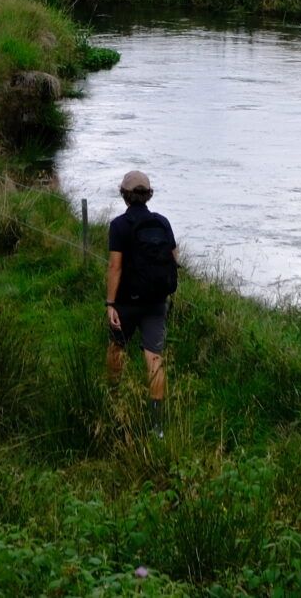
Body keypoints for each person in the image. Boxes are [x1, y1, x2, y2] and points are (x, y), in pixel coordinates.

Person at [105, 168, 179, 436]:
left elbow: (115, 267)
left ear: (124, 195)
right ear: (148, 195)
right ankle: (157, 425)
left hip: (126, 302)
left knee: (116, 348)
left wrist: (110, 304)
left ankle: (113, 404)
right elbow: (174, 260)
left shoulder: (118, 226)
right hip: (157, 301)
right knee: (154, 358)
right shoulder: (163, 222)